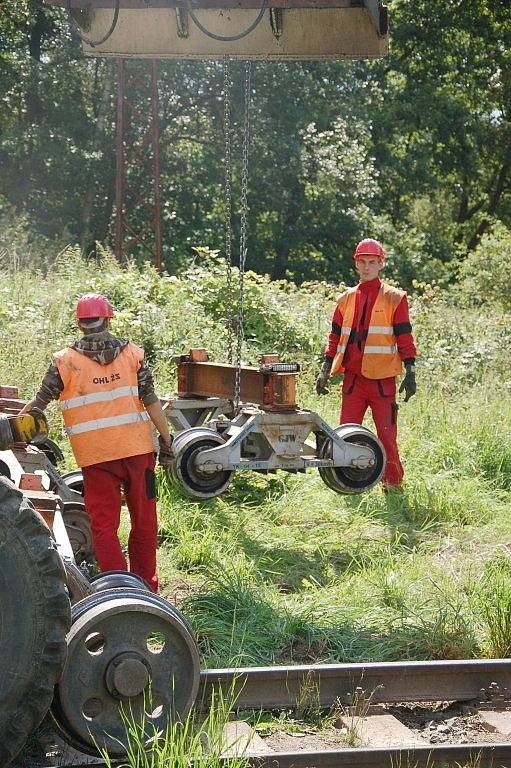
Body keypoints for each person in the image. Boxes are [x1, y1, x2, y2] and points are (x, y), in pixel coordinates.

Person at [20, 293, 173, 591]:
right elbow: (151, 400)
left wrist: (11, 427)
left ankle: (119, 587)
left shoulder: (64, 362)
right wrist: (167, 440)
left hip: (96, 458)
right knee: (144, 521)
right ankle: (146, 587)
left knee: (103, 528)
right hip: (138, 453)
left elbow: (38, 404)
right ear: (108, 318)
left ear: (80, 323)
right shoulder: (132, 355)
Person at [315, 238, 416, 490]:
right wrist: (325, 369)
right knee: (345, 435)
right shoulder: (345, 299)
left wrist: (411, 371)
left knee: (386, 436)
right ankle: (347, 484)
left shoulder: (395, 298)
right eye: (363, 262)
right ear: (356, 264)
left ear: (381, 264)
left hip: (382, 382)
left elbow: (404, 336)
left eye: (372, 262)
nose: (367, 267)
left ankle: (392, 484)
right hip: (353, 381)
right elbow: (335, 337)